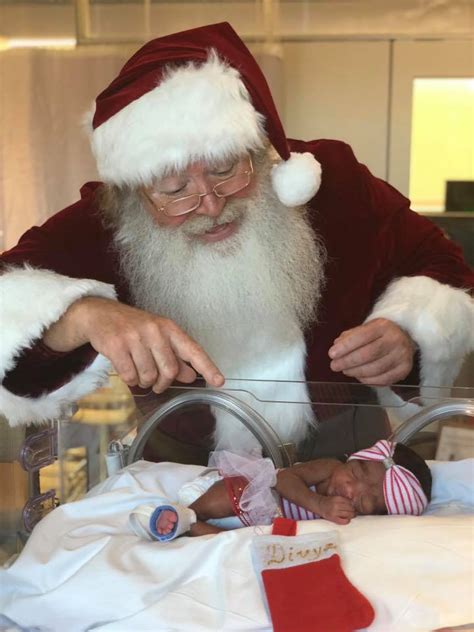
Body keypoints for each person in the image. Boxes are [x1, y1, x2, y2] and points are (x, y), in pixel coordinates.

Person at [0, 23, 472, 453]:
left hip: (350, 455)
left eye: (227, 169)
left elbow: (443, 264)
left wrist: (406, 331)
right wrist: (85, 315)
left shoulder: (336, 182)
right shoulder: (104, 222)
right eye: (174, 189)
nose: (210, 204)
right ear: (134, 194)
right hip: (186, 469)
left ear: (259, 151)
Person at [129, 439, 432, 541]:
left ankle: (185, 525)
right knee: (238, 492)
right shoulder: (328, 468)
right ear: (353, 458)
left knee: (234, 543)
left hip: (260, 526)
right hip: (253, 496)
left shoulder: (355, 517)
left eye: (366, 501)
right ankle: (190, 510)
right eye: (355, 473)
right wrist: (319, 504)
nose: (352, 490)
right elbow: (284, 479)